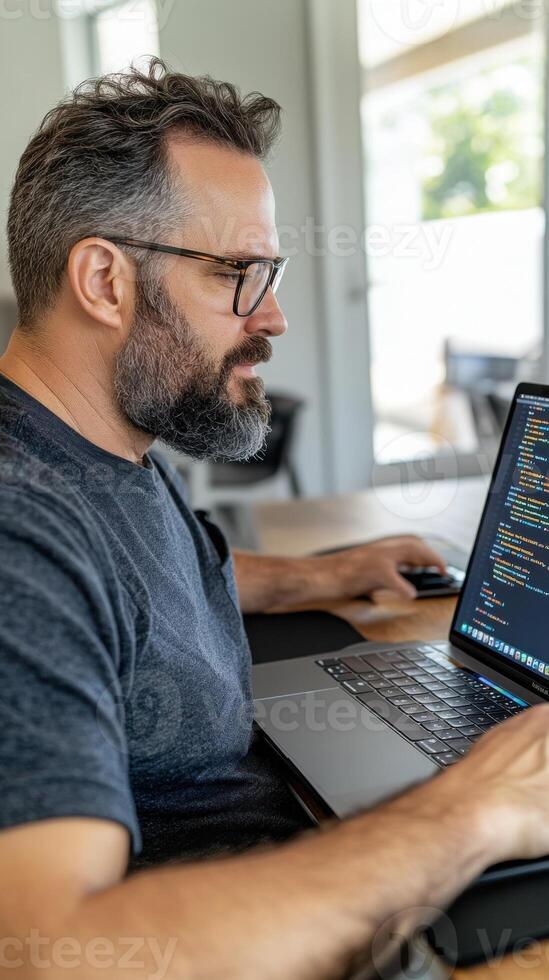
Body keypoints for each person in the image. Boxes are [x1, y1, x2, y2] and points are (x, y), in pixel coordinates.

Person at [2, 59, 549, 979]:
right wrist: (476, 805)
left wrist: (323, 574)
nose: (276, 317)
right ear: (103, 280)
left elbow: (146, 592)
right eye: (240, 274)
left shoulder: (103, 449)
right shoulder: (22, 531)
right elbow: (50, 950)